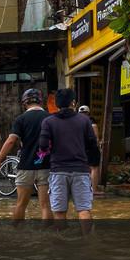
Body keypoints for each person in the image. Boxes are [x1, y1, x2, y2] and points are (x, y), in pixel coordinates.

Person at [37, 88, 98, 220]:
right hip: (81, 170)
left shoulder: (48, 122)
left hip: (58, 171)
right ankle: (88, 239)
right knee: (83, 210)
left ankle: (61, 240)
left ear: (57, 104)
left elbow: (42, 146)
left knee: (59, 212)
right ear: (73, 103)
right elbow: (92, 144)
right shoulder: (84, 120)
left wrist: (47, 155)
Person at [0, 89, 52, 220]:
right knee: (46, 205)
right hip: (46, 166)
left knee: (21, 204)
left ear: (24, 103)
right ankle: (48, 237)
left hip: (26, 166)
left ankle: (17, 234)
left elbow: (11, 141)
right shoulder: (50, 118)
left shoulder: (21, 119)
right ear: (41, 101)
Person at [77, 105, 102, 189]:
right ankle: (94, 189)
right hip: (92, 148)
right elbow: (96, 138)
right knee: (94, 168)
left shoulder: (76, 123)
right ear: (88, 113)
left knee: (84, 169)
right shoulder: (92, 122)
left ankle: (85, 189)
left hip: (80, 148)